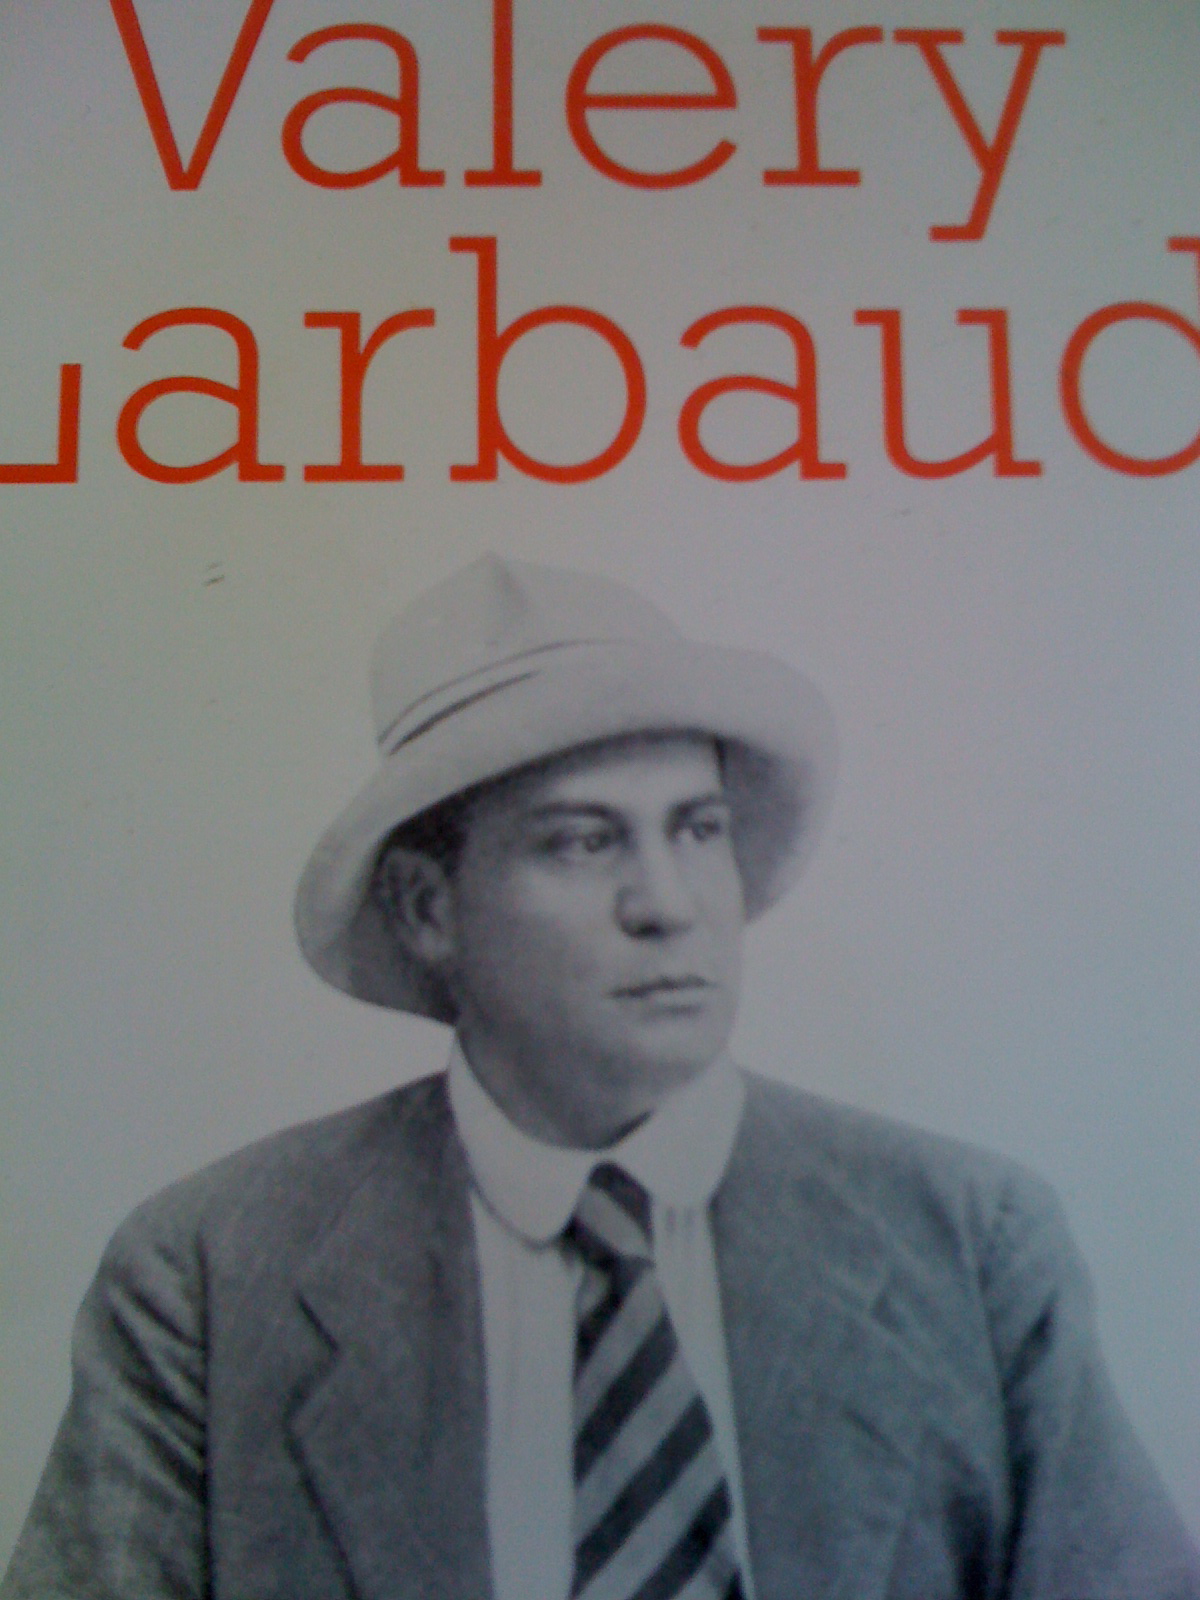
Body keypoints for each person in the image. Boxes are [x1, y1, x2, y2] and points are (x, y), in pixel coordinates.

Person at [4, 554, 1197, 1600]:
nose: (667, 905)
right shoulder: (210, 1279)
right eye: (581, 841)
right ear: (427, 909)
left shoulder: (970, 1244)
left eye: (698, 829)